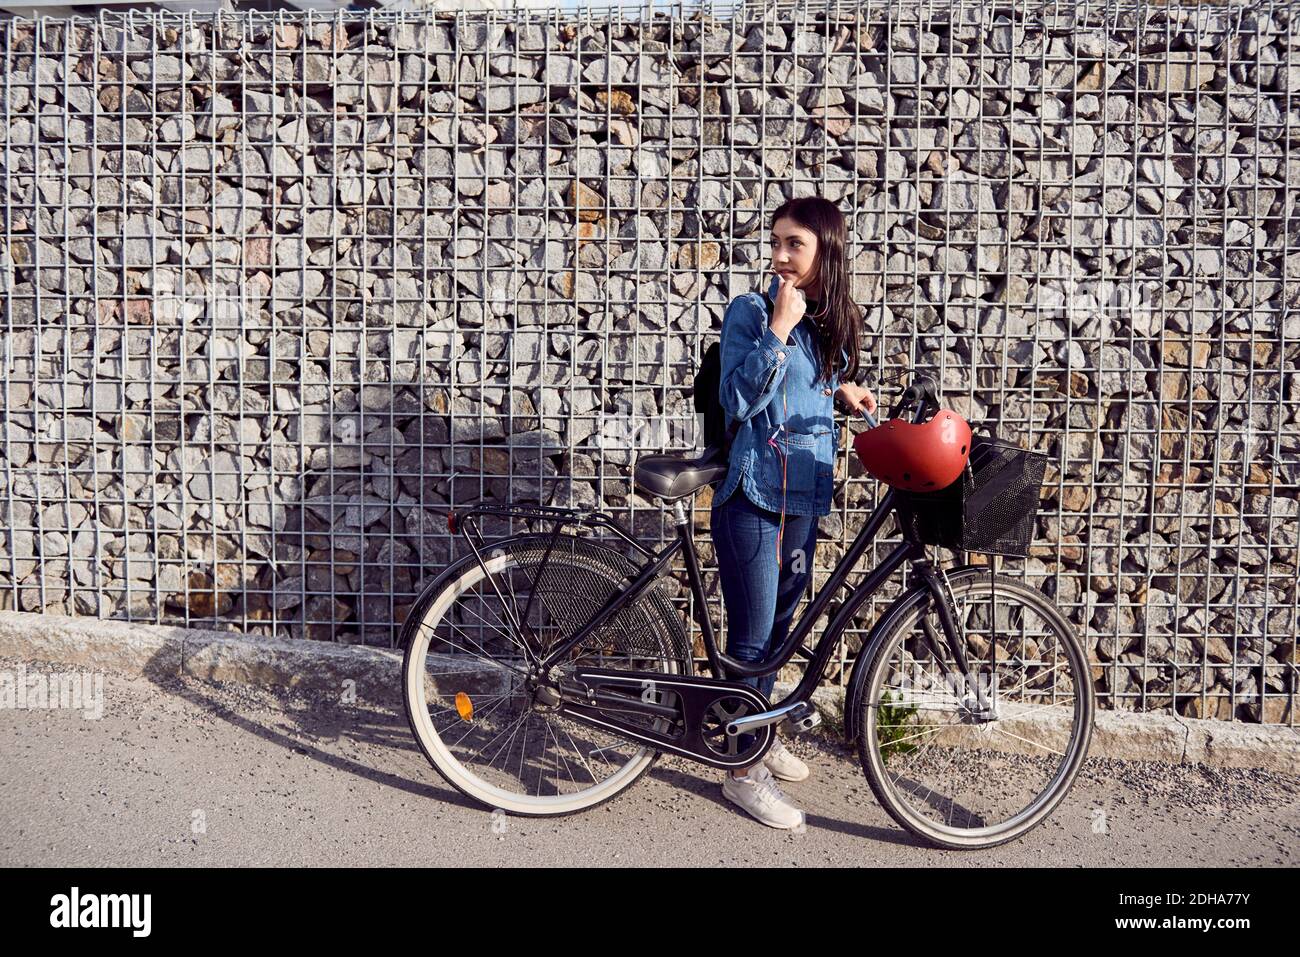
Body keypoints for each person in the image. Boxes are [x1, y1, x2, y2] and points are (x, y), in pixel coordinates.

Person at [710, 196, 877, 829]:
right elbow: (737, 398)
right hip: (753, 498)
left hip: (802, 498)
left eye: (794, 245)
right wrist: (777, 329)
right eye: (775, 242)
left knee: (781, 631)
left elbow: (801, 385)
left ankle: (761, 731)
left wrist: (841, 388)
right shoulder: (754, 311)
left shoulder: (822, 325)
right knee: (752, 641)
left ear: (824, 254)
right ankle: (740, 770)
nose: (779, 255)